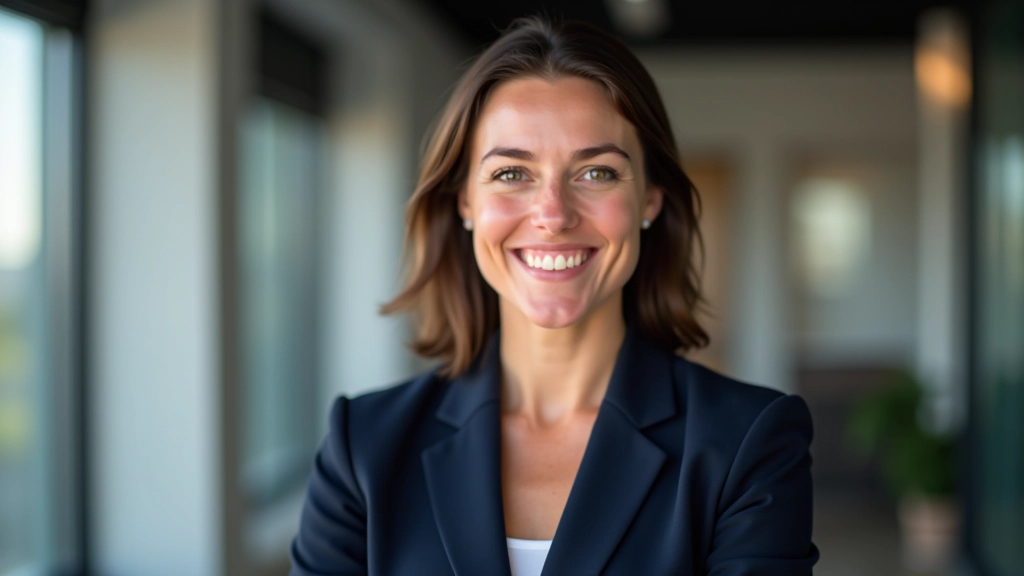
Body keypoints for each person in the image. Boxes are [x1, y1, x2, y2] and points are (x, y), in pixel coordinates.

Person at [290, 17, 818, 576]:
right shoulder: (363, 447)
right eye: (512, 172)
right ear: (465, 203)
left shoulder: (748, 442)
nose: (553, 215)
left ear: (650, 201)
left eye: (596, 172)